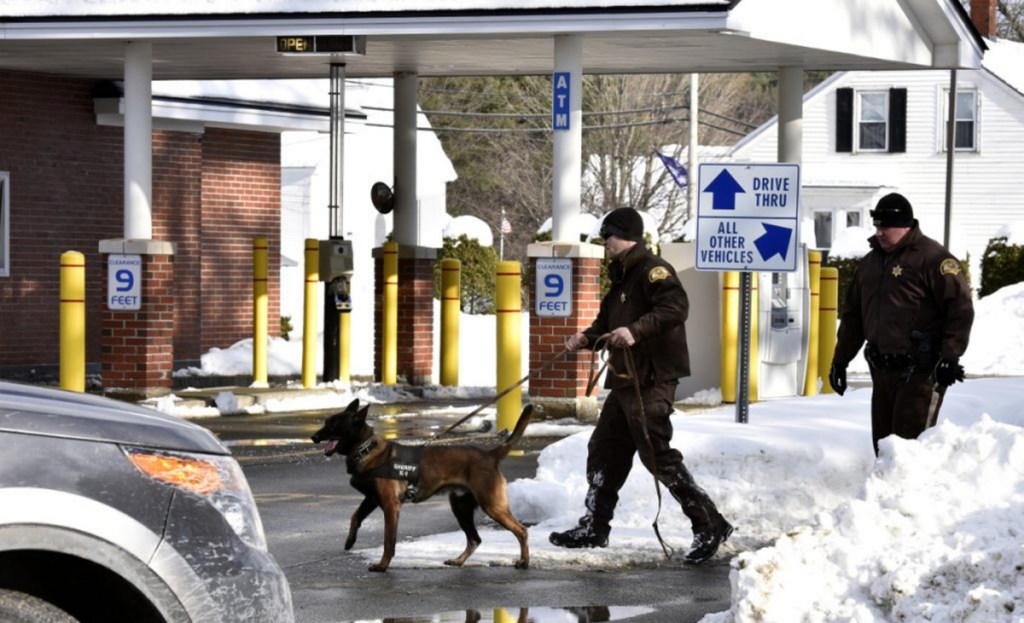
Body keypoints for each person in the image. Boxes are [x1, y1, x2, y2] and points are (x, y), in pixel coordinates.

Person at [548, 207, 733, 564]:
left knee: (657, 455)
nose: (605, 243)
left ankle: (710, 523)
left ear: (627, 236)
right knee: (604, 449)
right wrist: (585, 338)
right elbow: (605, 322)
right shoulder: (621, 277)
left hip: (651, 379)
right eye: (603, 237)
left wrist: (634, 331)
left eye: (609, 236)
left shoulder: (652, 270)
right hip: (625, 382)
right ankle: (595, 526)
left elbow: (676, 307)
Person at [828, 193, 974, 455]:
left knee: (908, 450)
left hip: (920, 372)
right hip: (882, 370)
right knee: (883, 448)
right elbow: (854, 317)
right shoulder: (871, 263)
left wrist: (950, 357)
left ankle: (913, 496)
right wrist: (840, 361)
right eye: (877, 226)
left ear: (905, 226)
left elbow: (960, 309)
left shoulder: (933, 259)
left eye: (885, 227)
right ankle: (882, 495)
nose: (879, 233)